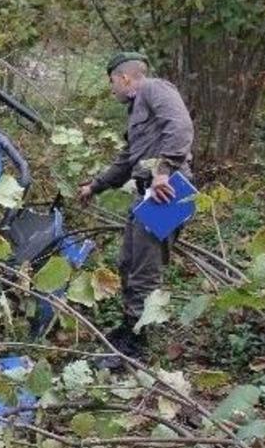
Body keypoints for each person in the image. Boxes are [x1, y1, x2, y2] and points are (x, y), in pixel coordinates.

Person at [77, 52, 194, 363]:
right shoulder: (136, 112)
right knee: (128, 263)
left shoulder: (155, 89)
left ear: (125, 78)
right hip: (147, 193)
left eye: (113, 82)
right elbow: (127, 161)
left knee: (144, 271)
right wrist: (95, 186)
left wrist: (163, 171)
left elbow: (181, 126)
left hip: (169, 191)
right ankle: (130, 328)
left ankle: (136, 347)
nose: (112, 89)